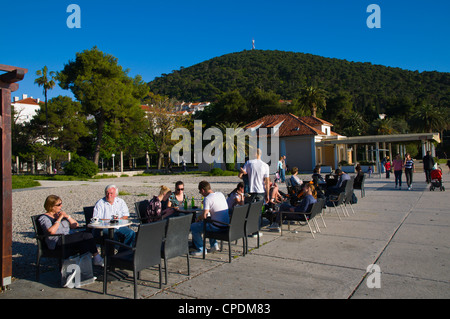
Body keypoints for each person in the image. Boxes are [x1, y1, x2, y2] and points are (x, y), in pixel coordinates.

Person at [39, 195, 104, 266]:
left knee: (85, 241)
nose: (61, 206)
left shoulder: (59, 214)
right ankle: (97, 259)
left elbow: (75, 225)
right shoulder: (44, 218)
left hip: (67, 237)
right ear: (51, 206)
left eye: (61, 203)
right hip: (57, 241)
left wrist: (67, 217)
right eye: (58, 204)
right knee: (86, 235)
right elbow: (51, 232)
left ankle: (84, 270)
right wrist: (59, 219)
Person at [190, 181, 230, 256]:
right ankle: (214, 245)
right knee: (209, 222)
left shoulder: (207, 199)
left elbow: (204, 216)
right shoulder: (220, 194)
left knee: (194, 227)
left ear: (202, 190)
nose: (201, 194)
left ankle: (201, 249)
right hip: (226, 225)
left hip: (217, 227)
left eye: (200, 192)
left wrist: (198, 218)